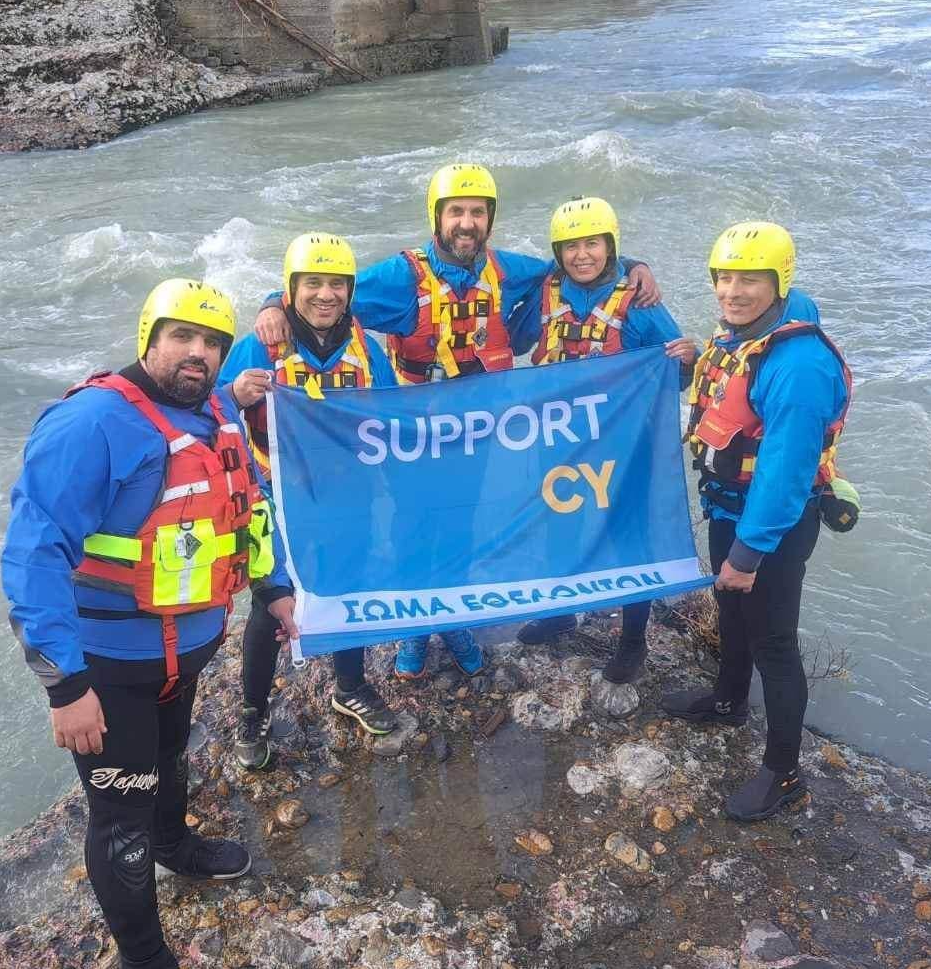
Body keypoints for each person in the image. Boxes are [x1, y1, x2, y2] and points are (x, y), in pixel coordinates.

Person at [1, 278, 295, 969]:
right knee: (120, 816)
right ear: (147, 336)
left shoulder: (217, 413)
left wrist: (275, 590)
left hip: (183, 653)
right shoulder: (92, 424)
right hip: (111, 668)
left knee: (171, 761)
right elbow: (34, 556)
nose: (197, 353)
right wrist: (66, 688)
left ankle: (177, 844)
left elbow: (249, 510)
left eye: (213, 342)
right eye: (182, 336)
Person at [253, 164, 664, 680]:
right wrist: (273, 301)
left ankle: (454, 619)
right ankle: (415, 632)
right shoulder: (403, 277)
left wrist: (634, 265)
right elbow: (327, 292)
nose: (466, 223)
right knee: (411, 528)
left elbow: (575, 265)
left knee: (464, 526)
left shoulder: (509, 270)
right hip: (415, 438)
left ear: (489, 220)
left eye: (476, 212)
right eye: (456, 212)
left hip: (481, 433)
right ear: (437, 217)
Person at [658, 223, 852, 822]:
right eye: (724, 277)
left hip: (772, 527)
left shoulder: (798, 366)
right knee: (730, 613)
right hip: (727, 504)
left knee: (774, 642)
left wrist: (748, 555)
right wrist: (692, 362)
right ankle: (727, 701)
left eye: (749, 279)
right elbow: (727, 400)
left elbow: (786, 475)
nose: (733, 291)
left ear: (779, 282)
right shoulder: (744, 333)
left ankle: (784, 773)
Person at [217, 232, 403, 770]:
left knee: (347, 586)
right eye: (312, 284)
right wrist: (234, 396)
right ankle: (252, 712)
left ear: (350, 291)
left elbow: (397, 416)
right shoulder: (260, 345)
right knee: (269, 605)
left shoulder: (367, 348)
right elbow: (211, 413)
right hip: (279, 501)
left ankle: (349, 685)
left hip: (350, 499)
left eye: (336, 284)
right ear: (291, 289)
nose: (326, 295)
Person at [511, 197, 697, 684]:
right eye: (570, 246)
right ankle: (561, 611)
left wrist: (686, 359)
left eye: (592, 243)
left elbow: (676, 377)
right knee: (556, 527)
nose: (582, 255)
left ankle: (633, 638)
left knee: (627, 536)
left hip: (622, 444)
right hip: (556, 440)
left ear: (610, 245)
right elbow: (509, 341)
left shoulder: (642, 304)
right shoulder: (545, 292)